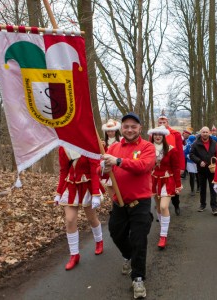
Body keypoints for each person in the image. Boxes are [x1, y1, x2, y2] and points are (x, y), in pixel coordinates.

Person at [100, 112, 155, 299]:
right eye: (126, 126)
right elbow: (104, 175)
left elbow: (143, 167)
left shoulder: (147, 147)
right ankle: (128, 255)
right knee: (116, 233)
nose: (129, 129)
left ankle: (138, 278)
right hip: (119, 202)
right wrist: (105, 169)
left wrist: (118, 162)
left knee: (139, 240)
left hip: (140, 203)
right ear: (121, 129)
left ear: (140, 128)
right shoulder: (113, 148)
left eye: (133, 126)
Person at [54, 147, 103, 271]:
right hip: (70, 185)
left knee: (91, 218)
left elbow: (94, 170)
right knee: (70, 220)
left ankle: (99, 241)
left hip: (87, 185)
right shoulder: (63, 148)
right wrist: (59, 193)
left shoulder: (87, 143)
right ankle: (74, 255)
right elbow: (63, 171)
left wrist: (96, 194)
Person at [148, 125, 182, 249]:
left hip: (168, 180)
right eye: (155, 134)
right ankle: (163, 226)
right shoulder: (148, 149)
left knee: (164, 206)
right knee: (158, 207)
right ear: (152, 136)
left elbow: (176, 168)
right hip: (154, 180)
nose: (157, 136)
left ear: (164, 136)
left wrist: (178, 184)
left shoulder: (171, 150)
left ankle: (163, 235)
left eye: (160, 134)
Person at [157, 114, 185, 216]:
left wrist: (182, 166)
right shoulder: (154, 135)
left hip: (173, 165)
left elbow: (180, 151)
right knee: (159, 189)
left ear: (167, 123)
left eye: (164, 122)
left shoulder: (175, 134)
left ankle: (176, 205)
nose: (162, 124)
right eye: (160, 122)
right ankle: (162, 210)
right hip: (159, 167)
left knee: (173, 188)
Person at [189, 127, 217, 215]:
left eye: (206, 132)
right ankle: (202, 204)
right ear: (201, 133)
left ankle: (214, 207)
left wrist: (216, 162)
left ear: (209, 133)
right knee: (202, 188)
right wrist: (199, 161)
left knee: (213, 188)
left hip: (212, 169)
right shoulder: (196, 143)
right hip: (201, 169)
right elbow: (191, 155)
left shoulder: (214, 143)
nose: (205, 134)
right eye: (203, 132)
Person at [101, 119, 121, 197]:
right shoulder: (104, 142)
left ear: (116, 130)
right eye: (108, 131)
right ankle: (113, 207)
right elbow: (103, 155)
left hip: (118, 167)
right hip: (109, 168)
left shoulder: (121, 140)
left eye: (112, 130)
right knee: (111, 190)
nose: (110, 133)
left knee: (119, 190)